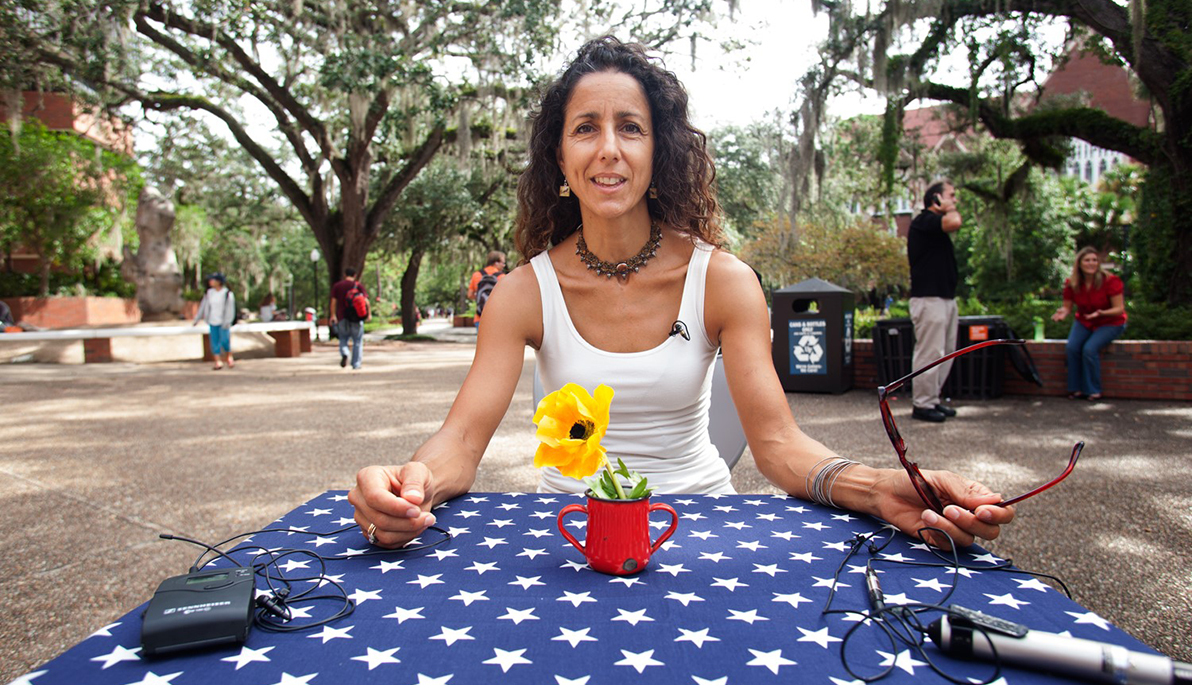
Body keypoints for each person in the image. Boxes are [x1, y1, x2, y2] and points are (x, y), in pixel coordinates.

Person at [349, 37, 1013, 551]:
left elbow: (778, 443)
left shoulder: (723, 280)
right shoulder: (522, 293)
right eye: (586, 127)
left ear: (657, 149)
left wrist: (876, 488)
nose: (608, 149)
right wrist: (411, 485)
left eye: (630, 127)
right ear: (559, 156)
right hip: (570, 539)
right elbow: (462, 440)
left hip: (698, 527)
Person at [907, 180, 962, 423]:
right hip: (929, 300)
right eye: (951, 195)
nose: (955, 200)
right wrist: (948, 208)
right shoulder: (924, 221)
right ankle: (922, 404)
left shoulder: (934, 226)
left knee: (946, 352)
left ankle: (933, 399)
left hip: (945, 299)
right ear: (936, 198)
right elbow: (954, 222)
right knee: (930, 352)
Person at [1051, 246, 1127, 401]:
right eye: (1087, 260)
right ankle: (1075, 389)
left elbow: (1119, 309)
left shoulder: (1110, 281)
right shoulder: (1072, 283)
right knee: (1072, 348)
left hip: (1110, 322)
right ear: (1079, 264)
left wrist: (1100, 313)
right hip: (1085, 320)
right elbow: (1067, 307)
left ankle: (1093, 390)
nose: (1091, 263)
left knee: (1089, 349)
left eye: (1094, 260)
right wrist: (1063, 312)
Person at [193, 272, 235, 370]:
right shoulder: (209, 293)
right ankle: (218, 361)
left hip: (224, 321)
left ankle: (229, 356)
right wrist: (197, 319)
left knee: (225, 341)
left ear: (219, 281)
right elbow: (203, 306)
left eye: (213, 280)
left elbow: (230, 309)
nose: (210, 281)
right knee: (214, 342)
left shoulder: (227, 293)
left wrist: (228, 321)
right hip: (212, 320)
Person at [330, 267, 369, 370]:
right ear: (355, 275)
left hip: (342, 316)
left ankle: (345, 352)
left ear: (344, 274)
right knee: (357, 341)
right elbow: (366, 301)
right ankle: (356, 364)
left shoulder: (337, 286)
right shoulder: (358, 286)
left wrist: (333, 315)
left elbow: (333, 302)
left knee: (343, 338)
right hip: (356, 317)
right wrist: (368, 314)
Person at [468, 251, 507, 326]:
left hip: (480, 317)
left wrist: (481, 297)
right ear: (496, 263)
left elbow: (470, 295)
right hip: (497, 318)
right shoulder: (503, 277)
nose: (504, 265)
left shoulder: (476, 275)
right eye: (503, 263)